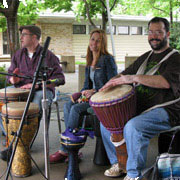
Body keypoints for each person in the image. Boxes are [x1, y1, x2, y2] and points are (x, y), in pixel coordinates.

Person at [100, 17, 180, 180]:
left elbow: (165, 82)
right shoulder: (146, 56)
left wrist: (133, 78)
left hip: (167, 110)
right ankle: (120, 163)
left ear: (168, 34)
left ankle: (134, 175)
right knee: (106, 123)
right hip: (142, 108)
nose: (154, 36)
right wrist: (109, 84)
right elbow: (124, 74)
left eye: (159, 32)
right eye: (151, 32)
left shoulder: (176, 58)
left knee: (133, 127)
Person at [49, 29, 118, 163]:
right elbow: (86, 84)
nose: (94, 43)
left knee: (76, 109)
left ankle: (66, 150)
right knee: (69, 104)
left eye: (98, 40)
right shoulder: (90, 60)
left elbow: (112, 84)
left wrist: (94, 91)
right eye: (93, 39)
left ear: (102, 43)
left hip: (102, 99)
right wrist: (81, 94)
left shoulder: (107, 59)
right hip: (91, 98)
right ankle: (73, 148)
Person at [0, 25, 65, 161]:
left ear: (34, 37)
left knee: (37, 102)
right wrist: (13, 79)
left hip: (42, 90)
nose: (21, 38)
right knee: (2, 99)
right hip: (20, 88)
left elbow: (60, 78)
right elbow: (10, 74)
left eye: (24, 34)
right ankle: (16, 140)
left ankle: (20, 143)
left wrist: (36, 84)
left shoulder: (48, 56)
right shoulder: (18, 54)